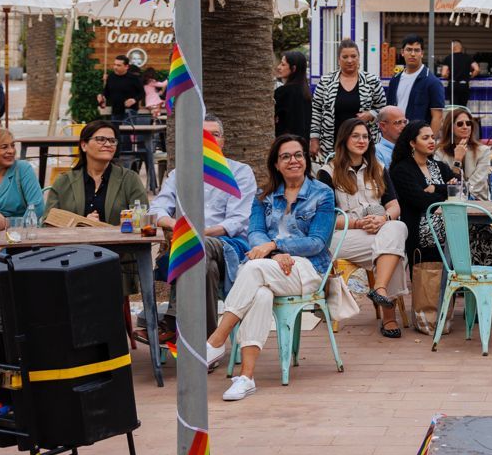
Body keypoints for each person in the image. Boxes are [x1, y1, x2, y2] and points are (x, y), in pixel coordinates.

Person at [203, 136, 337, 402]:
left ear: (306, 159)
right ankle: (246, 378)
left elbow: (317, 242)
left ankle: (216, 340)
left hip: (307, 269)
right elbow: (254, 234)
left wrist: (275, 245)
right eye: (286, 156)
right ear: (276, 164)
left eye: (298, 155)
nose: (294, 161)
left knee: (252, 270)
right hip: (271, 266)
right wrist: (274, 254)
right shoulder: (263, 197)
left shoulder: (322, 193)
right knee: (260, 293)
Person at [148, 114, 256, 327]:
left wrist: (197, 233)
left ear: (223, 141)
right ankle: (207, 345)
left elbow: (238, 221)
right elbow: (156, 209)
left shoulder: (240, 172)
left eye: (214, 135)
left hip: (230, 247)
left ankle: (173, 321)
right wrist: (177, 225)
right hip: (196, 250)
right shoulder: (181, 173)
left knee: (197, 245)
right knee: (208, 268)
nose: (209, 139)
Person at [319, 118, 409, 339]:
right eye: (356, 136)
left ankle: (379, 288)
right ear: (344, 139)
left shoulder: (378, 168)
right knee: (392, 250)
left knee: (396, 227)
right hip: (343, 237)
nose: (362, 141)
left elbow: (394, 205)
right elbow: (325, 218)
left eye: (365, 137)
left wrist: (383, 219)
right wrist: (358, 223)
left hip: (377, 232)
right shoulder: (327, 172)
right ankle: (389, 317)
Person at [387, 120, 458, 271]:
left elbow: (460, 189)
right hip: (422, 229)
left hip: (448, 221)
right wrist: (447, 190)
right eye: (425, 138)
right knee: (471, 234)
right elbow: (423, 201)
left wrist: (435, 188)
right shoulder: (402, 170)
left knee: (479, 229)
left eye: (432, 137)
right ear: (412, 143)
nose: (432, 141)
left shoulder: (439, 166)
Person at [47, 118, 148, 224]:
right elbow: (47, 222)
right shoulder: (64, 181)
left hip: (115, 240)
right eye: (100, 139)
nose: (108, 144)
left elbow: (143, 222)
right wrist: (81, 224)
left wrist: (100, 227)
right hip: (75, 240)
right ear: (84, 145)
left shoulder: (130, 179)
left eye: (112, 141)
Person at [310, 39, 386, 162]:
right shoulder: (325, 82)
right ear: (339, 59)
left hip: (363, 144)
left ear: (359, 58)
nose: (349, 60)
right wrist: (314, 139)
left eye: (353, 56)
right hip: (332, 143)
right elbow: (316, 112)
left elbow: (383, 109)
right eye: (345, 57)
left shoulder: (372, 81)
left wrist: (371, 114)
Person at [385, 35, 445, 134]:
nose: (412, 54)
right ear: (402, 52)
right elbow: (389, 111)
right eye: (409, 49)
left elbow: (437, 117)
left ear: (422, 53)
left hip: (418, 139)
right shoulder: (395, 80)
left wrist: (430, 143)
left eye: (416, 50)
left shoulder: (432, 82)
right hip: (395, 137)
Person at [435, 106, 486, 193]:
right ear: (450, 127)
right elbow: (443, 184)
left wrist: (461, 189)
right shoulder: (440, 153)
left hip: (477, 201)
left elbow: (478, 184)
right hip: (450, 201)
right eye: (460, 124)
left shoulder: (483, 151)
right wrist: (457, 161)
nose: (465, 127)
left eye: (468, 123)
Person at [273, 50, 311, 140]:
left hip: (285, 141)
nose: (278, 67)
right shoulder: (306, 92)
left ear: (293, 69)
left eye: (283, 64)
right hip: (302, 143)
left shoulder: (283, 92)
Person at [98, 54, 146, 119]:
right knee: (115, 129)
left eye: (118, 65)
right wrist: (102, 97)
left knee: (128, 129)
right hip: (116, 111)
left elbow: (142, 93)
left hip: (130, 111)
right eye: (114, 64)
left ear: (126, 67)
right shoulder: (111, 77)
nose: (115, 67)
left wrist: (134, 100)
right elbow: (107, 93)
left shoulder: (134, 78)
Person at [440, 39, 472, 107]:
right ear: (461, 47)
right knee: (463, 107)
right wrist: (469, 77)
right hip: (464, 85)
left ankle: (454, 117)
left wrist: (448, 76)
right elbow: (477, 69)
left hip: (453, 85)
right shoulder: (468, 57)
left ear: (453, 47)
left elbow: (443, 74)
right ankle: (462, 117)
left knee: (454, 108)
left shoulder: (448, 58)